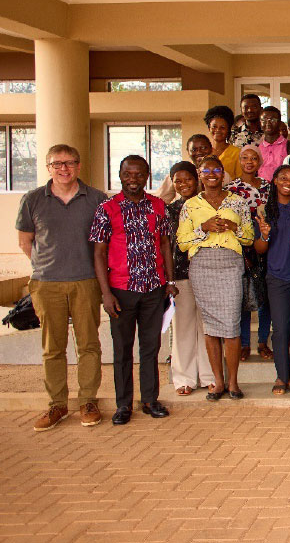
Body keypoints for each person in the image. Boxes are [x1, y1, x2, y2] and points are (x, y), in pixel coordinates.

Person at [16, 144, 107, 431]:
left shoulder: (96, 199)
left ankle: (88, 402)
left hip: (86, 281)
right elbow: (25, 241)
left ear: (79, 166)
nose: (64, 168)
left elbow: (103, 244)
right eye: (57, 164)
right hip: (47, 284)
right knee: (52, 347)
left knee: (88, 344)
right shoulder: (32, 200)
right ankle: (57, 405)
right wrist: (45, 267)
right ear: (48, 168)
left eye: (70, 163)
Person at [90, 155, 175, 425]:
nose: (133, 179)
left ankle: (150, 400)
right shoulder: (107, 208)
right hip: (121, 290)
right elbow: (99, 253)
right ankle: (123, 404)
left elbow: (164, 245)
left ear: (147, 176)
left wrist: (170, 281)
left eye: (139, 174)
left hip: (153, 288)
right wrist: (105, 293)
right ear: (120, 175)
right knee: (122, 349)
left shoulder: (158, 206)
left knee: (150, 348)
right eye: (128, 174)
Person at [177, 155, 254, 401]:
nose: (211, 173)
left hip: (230, 265)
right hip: (202, 265)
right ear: (200, 174)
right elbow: (181, 242)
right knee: (210, 328)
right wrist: (204, 228)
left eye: (216, 169)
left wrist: (234, 228)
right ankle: (217, 383)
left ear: (223, 173)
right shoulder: (190, 205)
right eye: (206, 170)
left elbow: (249, 238)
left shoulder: (238, 202)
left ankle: (233, 383)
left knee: (231, 325)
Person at [253, 165, 290, 395]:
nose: (288, 183)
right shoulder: (264, 210)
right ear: (274, 180)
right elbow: (260, 249)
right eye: (283, 178)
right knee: (281, 328)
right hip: (277, 276)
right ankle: (281, 374)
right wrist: (264, 234)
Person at [165, 161, 215, 397]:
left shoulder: (208, 205)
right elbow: (168, 244)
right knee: (183, 327)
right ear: (173, 184)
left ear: (197, 180)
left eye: (188, 179)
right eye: (178, 181)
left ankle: (209, 376)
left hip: (207, 271)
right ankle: (183, 378)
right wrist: (167, 278)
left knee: (208, 327)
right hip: (180, 273)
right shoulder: (170, 209)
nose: (183, 184)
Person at [227, 145, 272, 361]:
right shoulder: (231, 188)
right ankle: (244, 343)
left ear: (260, 162)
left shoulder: (267, 186)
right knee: (244, 293)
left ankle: (263, 341)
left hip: (264, 240)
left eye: (254, 158)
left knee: (265, 295)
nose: (249, 161)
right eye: (245, 158)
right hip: (241, 243)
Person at [155, 133, 226, 202]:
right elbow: (161, 200)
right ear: (188, 152)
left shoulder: (220, 174)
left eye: (204, 148)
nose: (199, 152)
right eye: (194, 150)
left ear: (211, 149)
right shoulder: (178, 174)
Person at [205, 105, 242, 180]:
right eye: (214, 127)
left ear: (228, 130)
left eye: (222, 127)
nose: (218, 130)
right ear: (209, 128)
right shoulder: (204, 151)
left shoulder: (237, 153)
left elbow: (240, 180)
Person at [258, 106, 289, 181]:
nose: (268, 123)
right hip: (261, 190)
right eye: (264, 120)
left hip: (282, 190)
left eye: (272, 120)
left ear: (279, 122)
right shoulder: (257, 148)